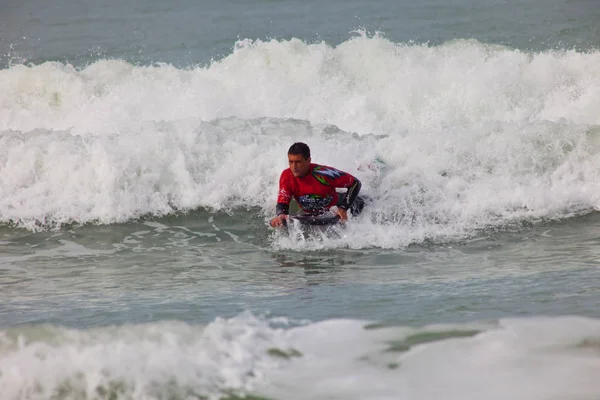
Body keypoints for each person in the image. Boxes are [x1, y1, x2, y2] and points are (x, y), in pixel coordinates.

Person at [270, 142, 364, 227]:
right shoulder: (287, 176)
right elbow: (282, 203)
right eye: (291, 162)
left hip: (347, 205)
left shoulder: (324, 173)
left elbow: (355, 183)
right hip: (314, 213)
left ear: (308, 160)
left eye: (298, 162)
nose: (294, 167)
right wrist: (281, 215)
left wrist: (343, 208)